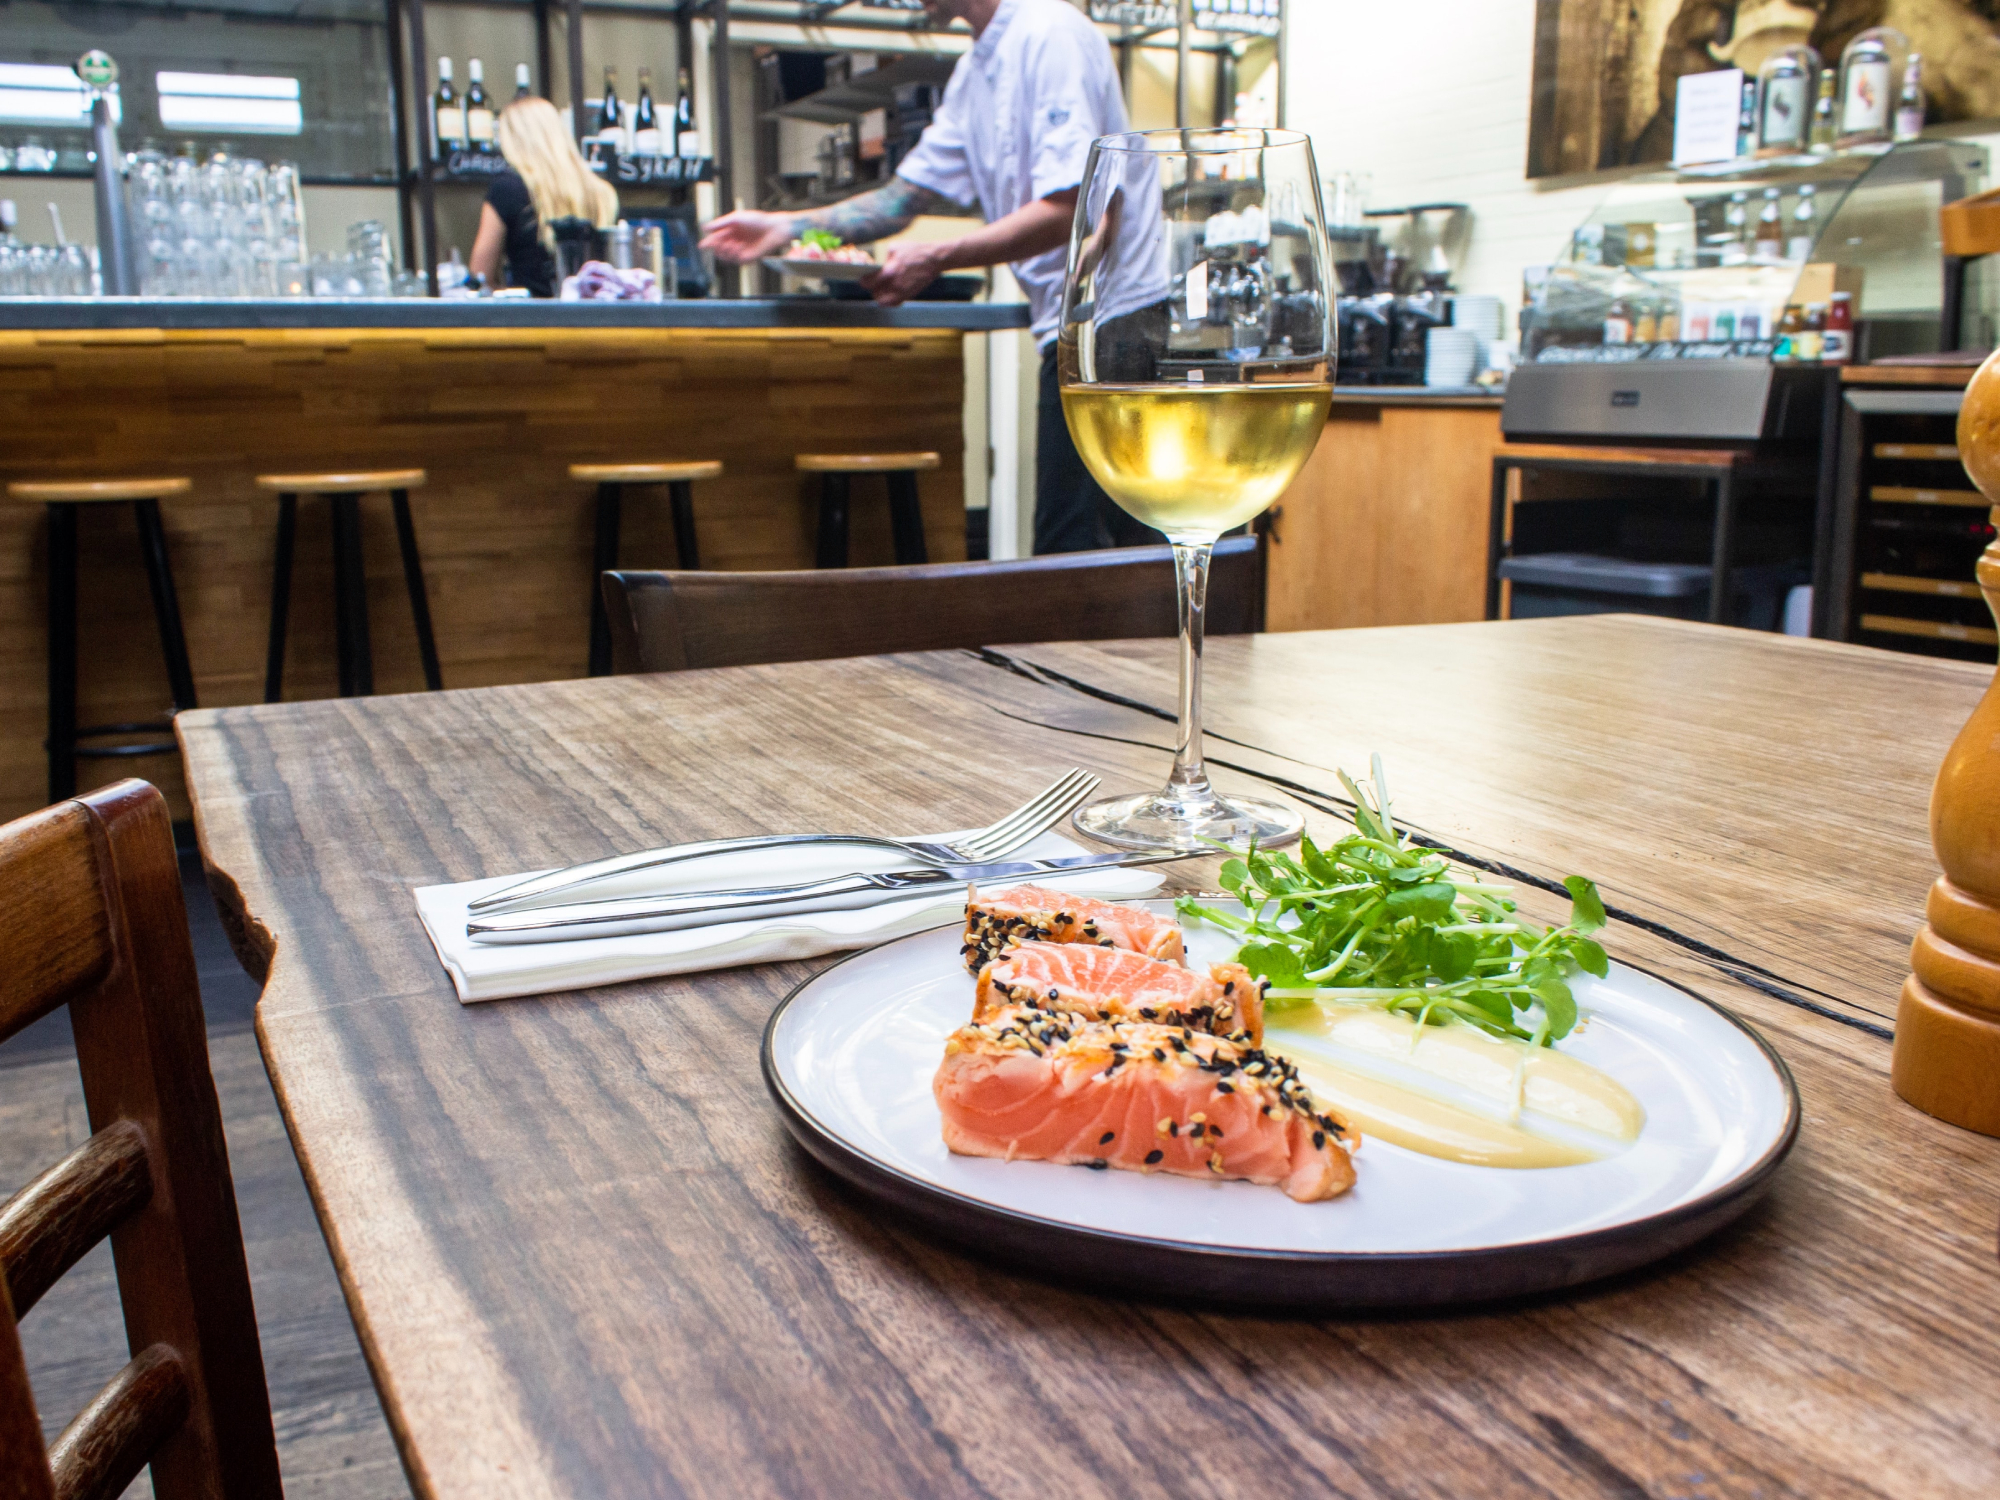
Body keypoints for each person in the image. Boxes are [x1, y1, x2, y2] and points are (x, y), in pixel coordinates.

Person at [699, 0, 1152, 554]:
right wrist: (784, 225)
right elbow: (902, 198)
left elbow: (1068, 208)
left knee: (1090, 551)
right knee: (1083, 550)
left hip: (1126, 324)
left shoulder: (1050, 34)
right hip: (1074, 328)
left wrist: (937, 256)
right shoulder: (975, 72)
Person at [471, 96, 619, 297]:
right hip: (599, 321)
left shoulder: (507, 188)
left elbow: (480, 275)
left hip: (534, 321)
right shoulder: (602, 192)